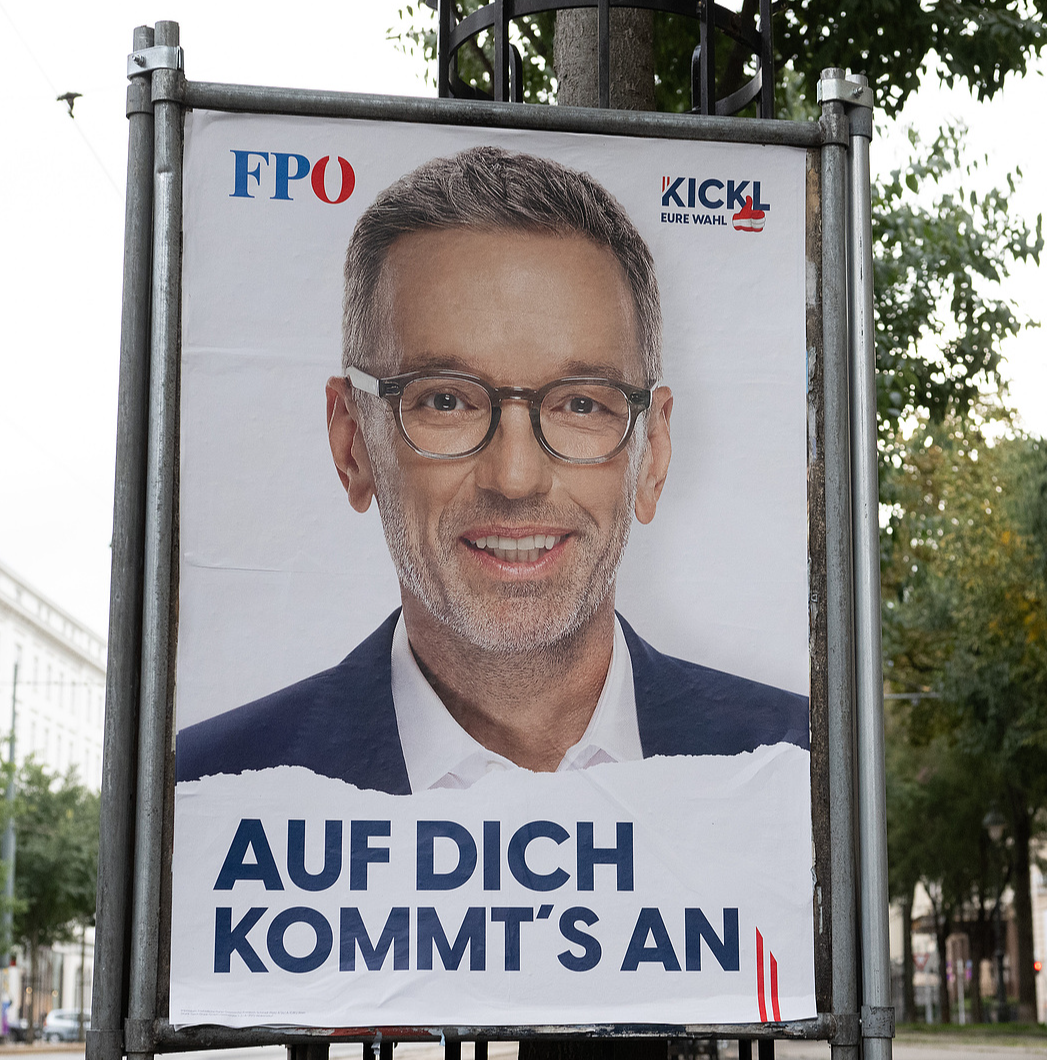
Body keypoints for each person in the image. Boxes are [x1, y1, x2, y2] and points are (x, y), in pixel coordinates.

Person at [177, 146, 808, 794]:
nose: (515, 477)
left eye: (581, 403)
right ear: (351, 444)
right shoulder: (203, 788)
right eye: (445, 399)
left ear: (654, 457)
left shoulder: (800, 771)